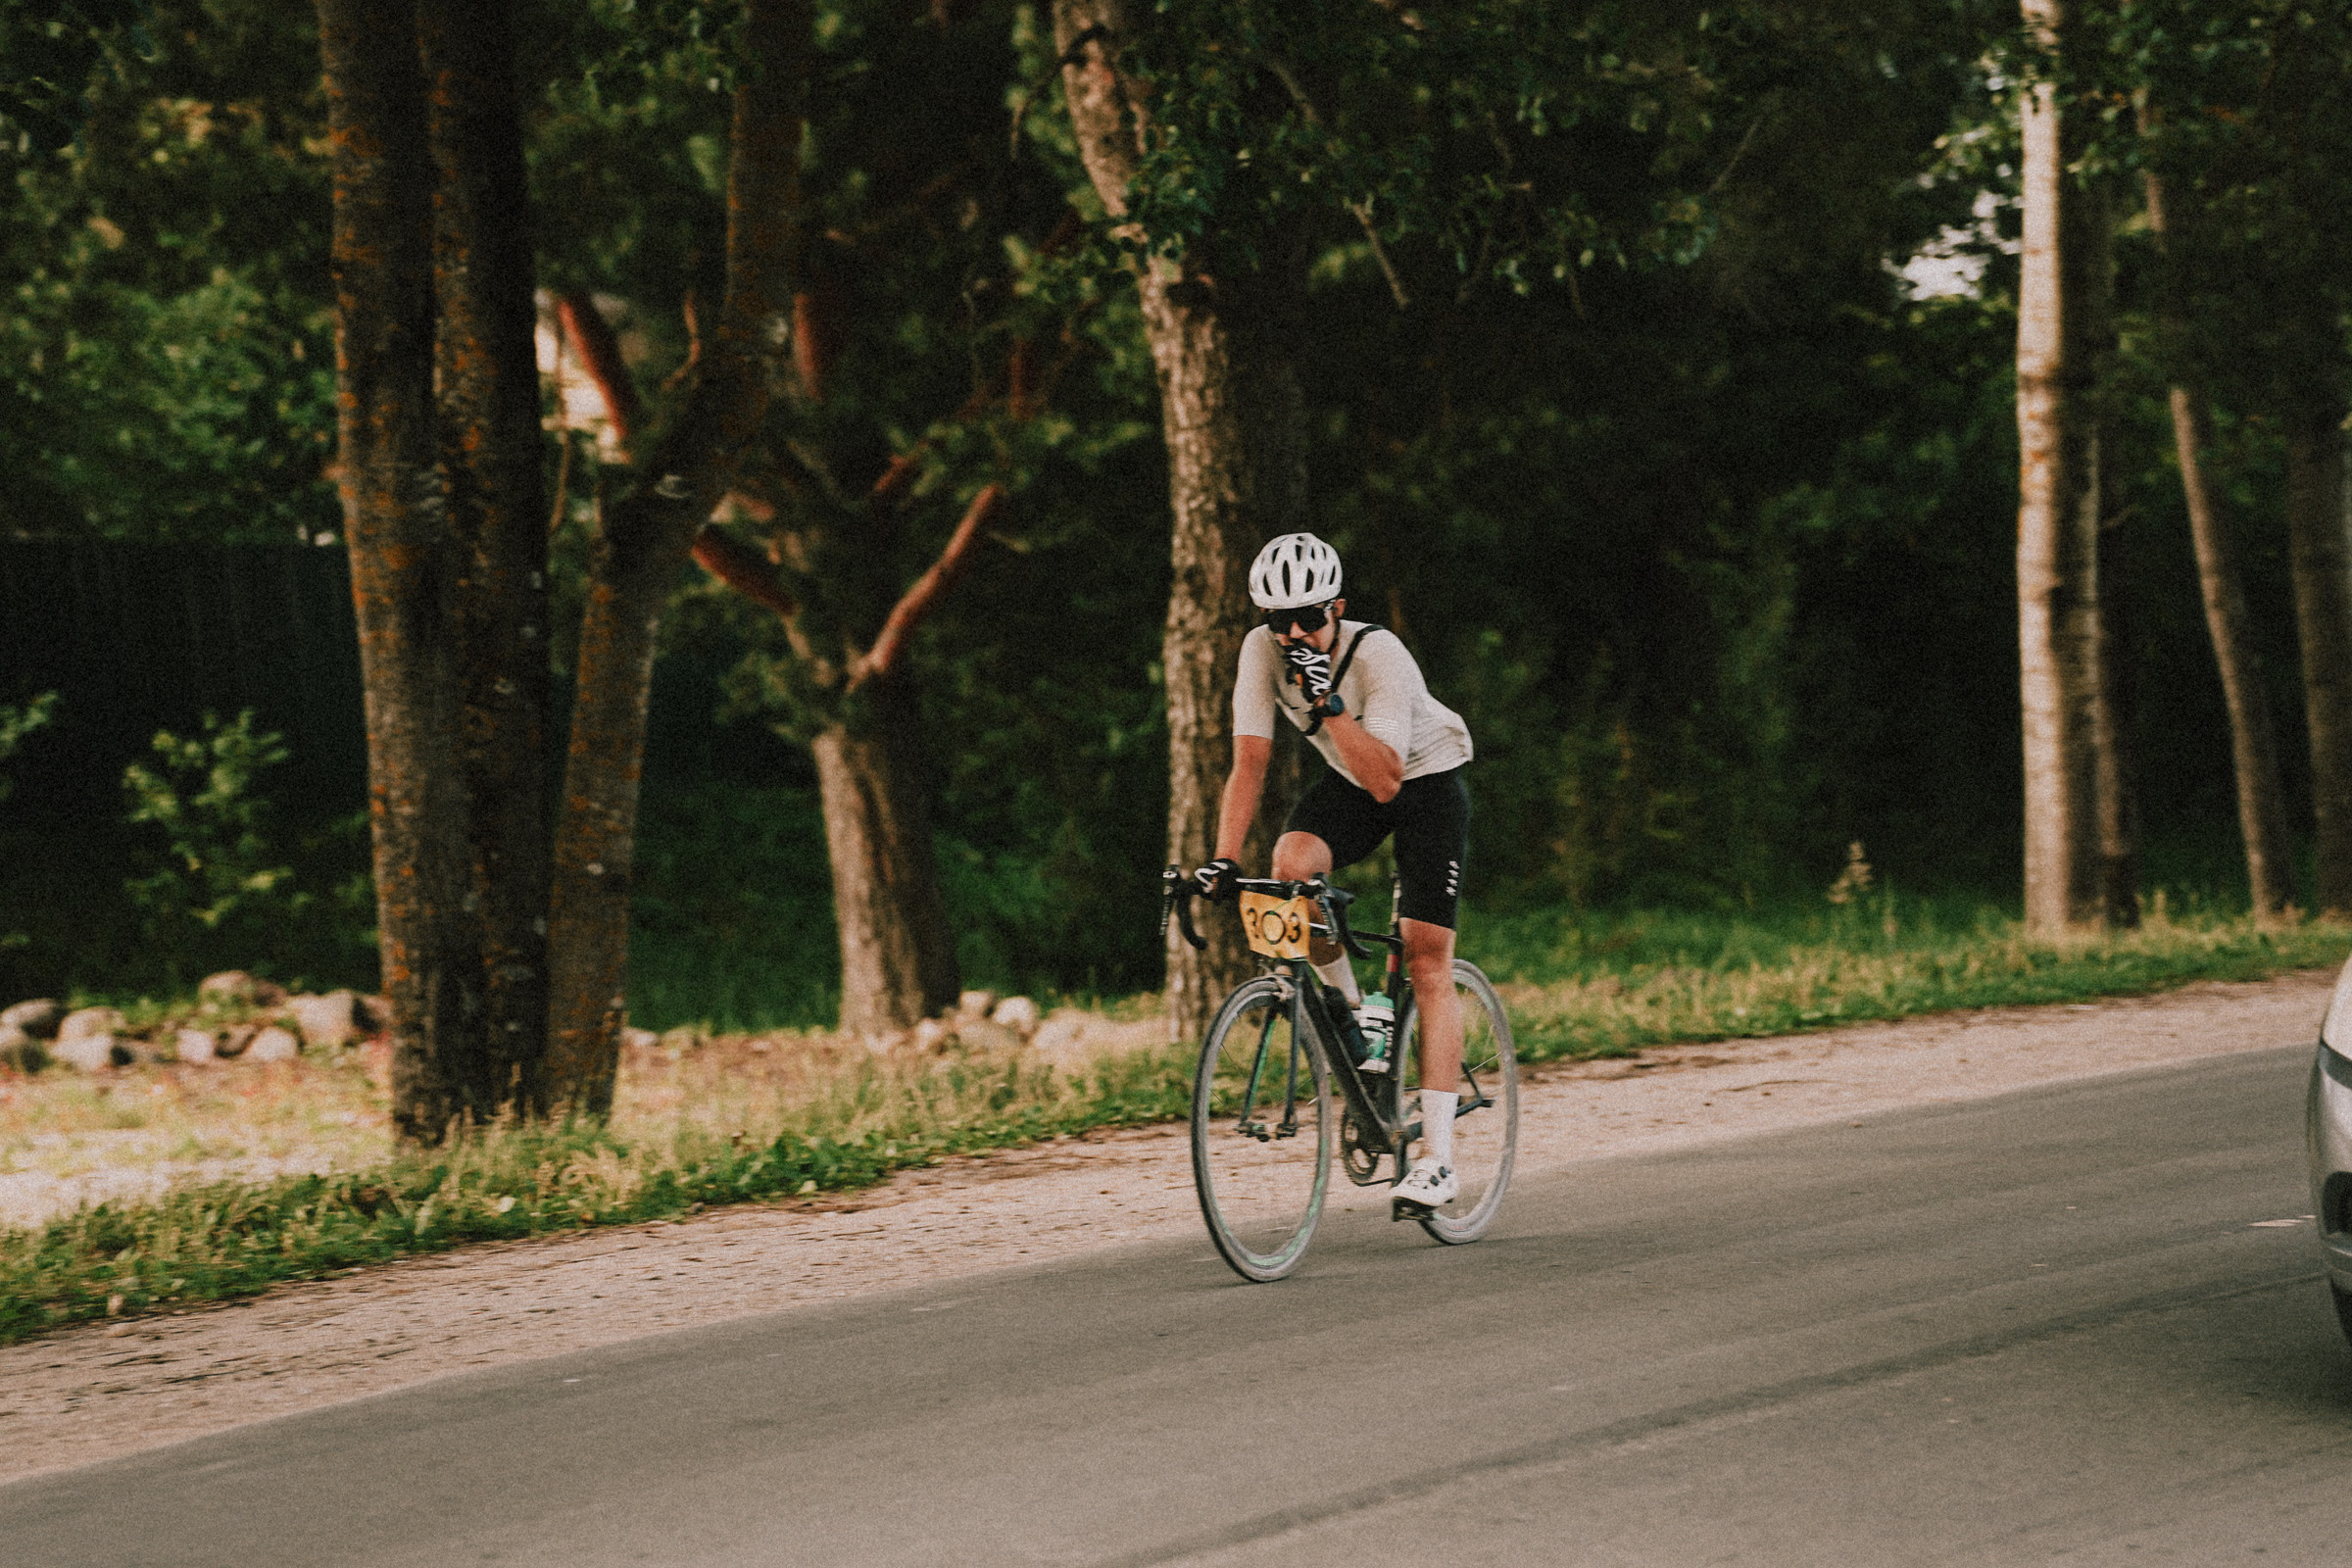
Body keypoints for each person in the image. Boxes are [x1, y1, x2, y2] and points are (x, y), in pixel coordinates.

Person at [1192, 532, 1475, 1215]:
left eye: (1309, 618)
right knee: (1290, 867)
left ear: (1337, 608)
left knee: (1425, 959)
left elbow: (1386, 780)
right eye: (1276, 621)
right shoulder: (1262, 653)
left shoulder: (1378, 653)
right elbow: (1250, 762)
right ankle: (1357, 1012)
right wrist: (1224, 860)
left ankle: (1437, 1160)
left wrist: (1328, 706)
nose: (1293, 633)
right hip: (1351, 776)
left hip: (1421, 778)